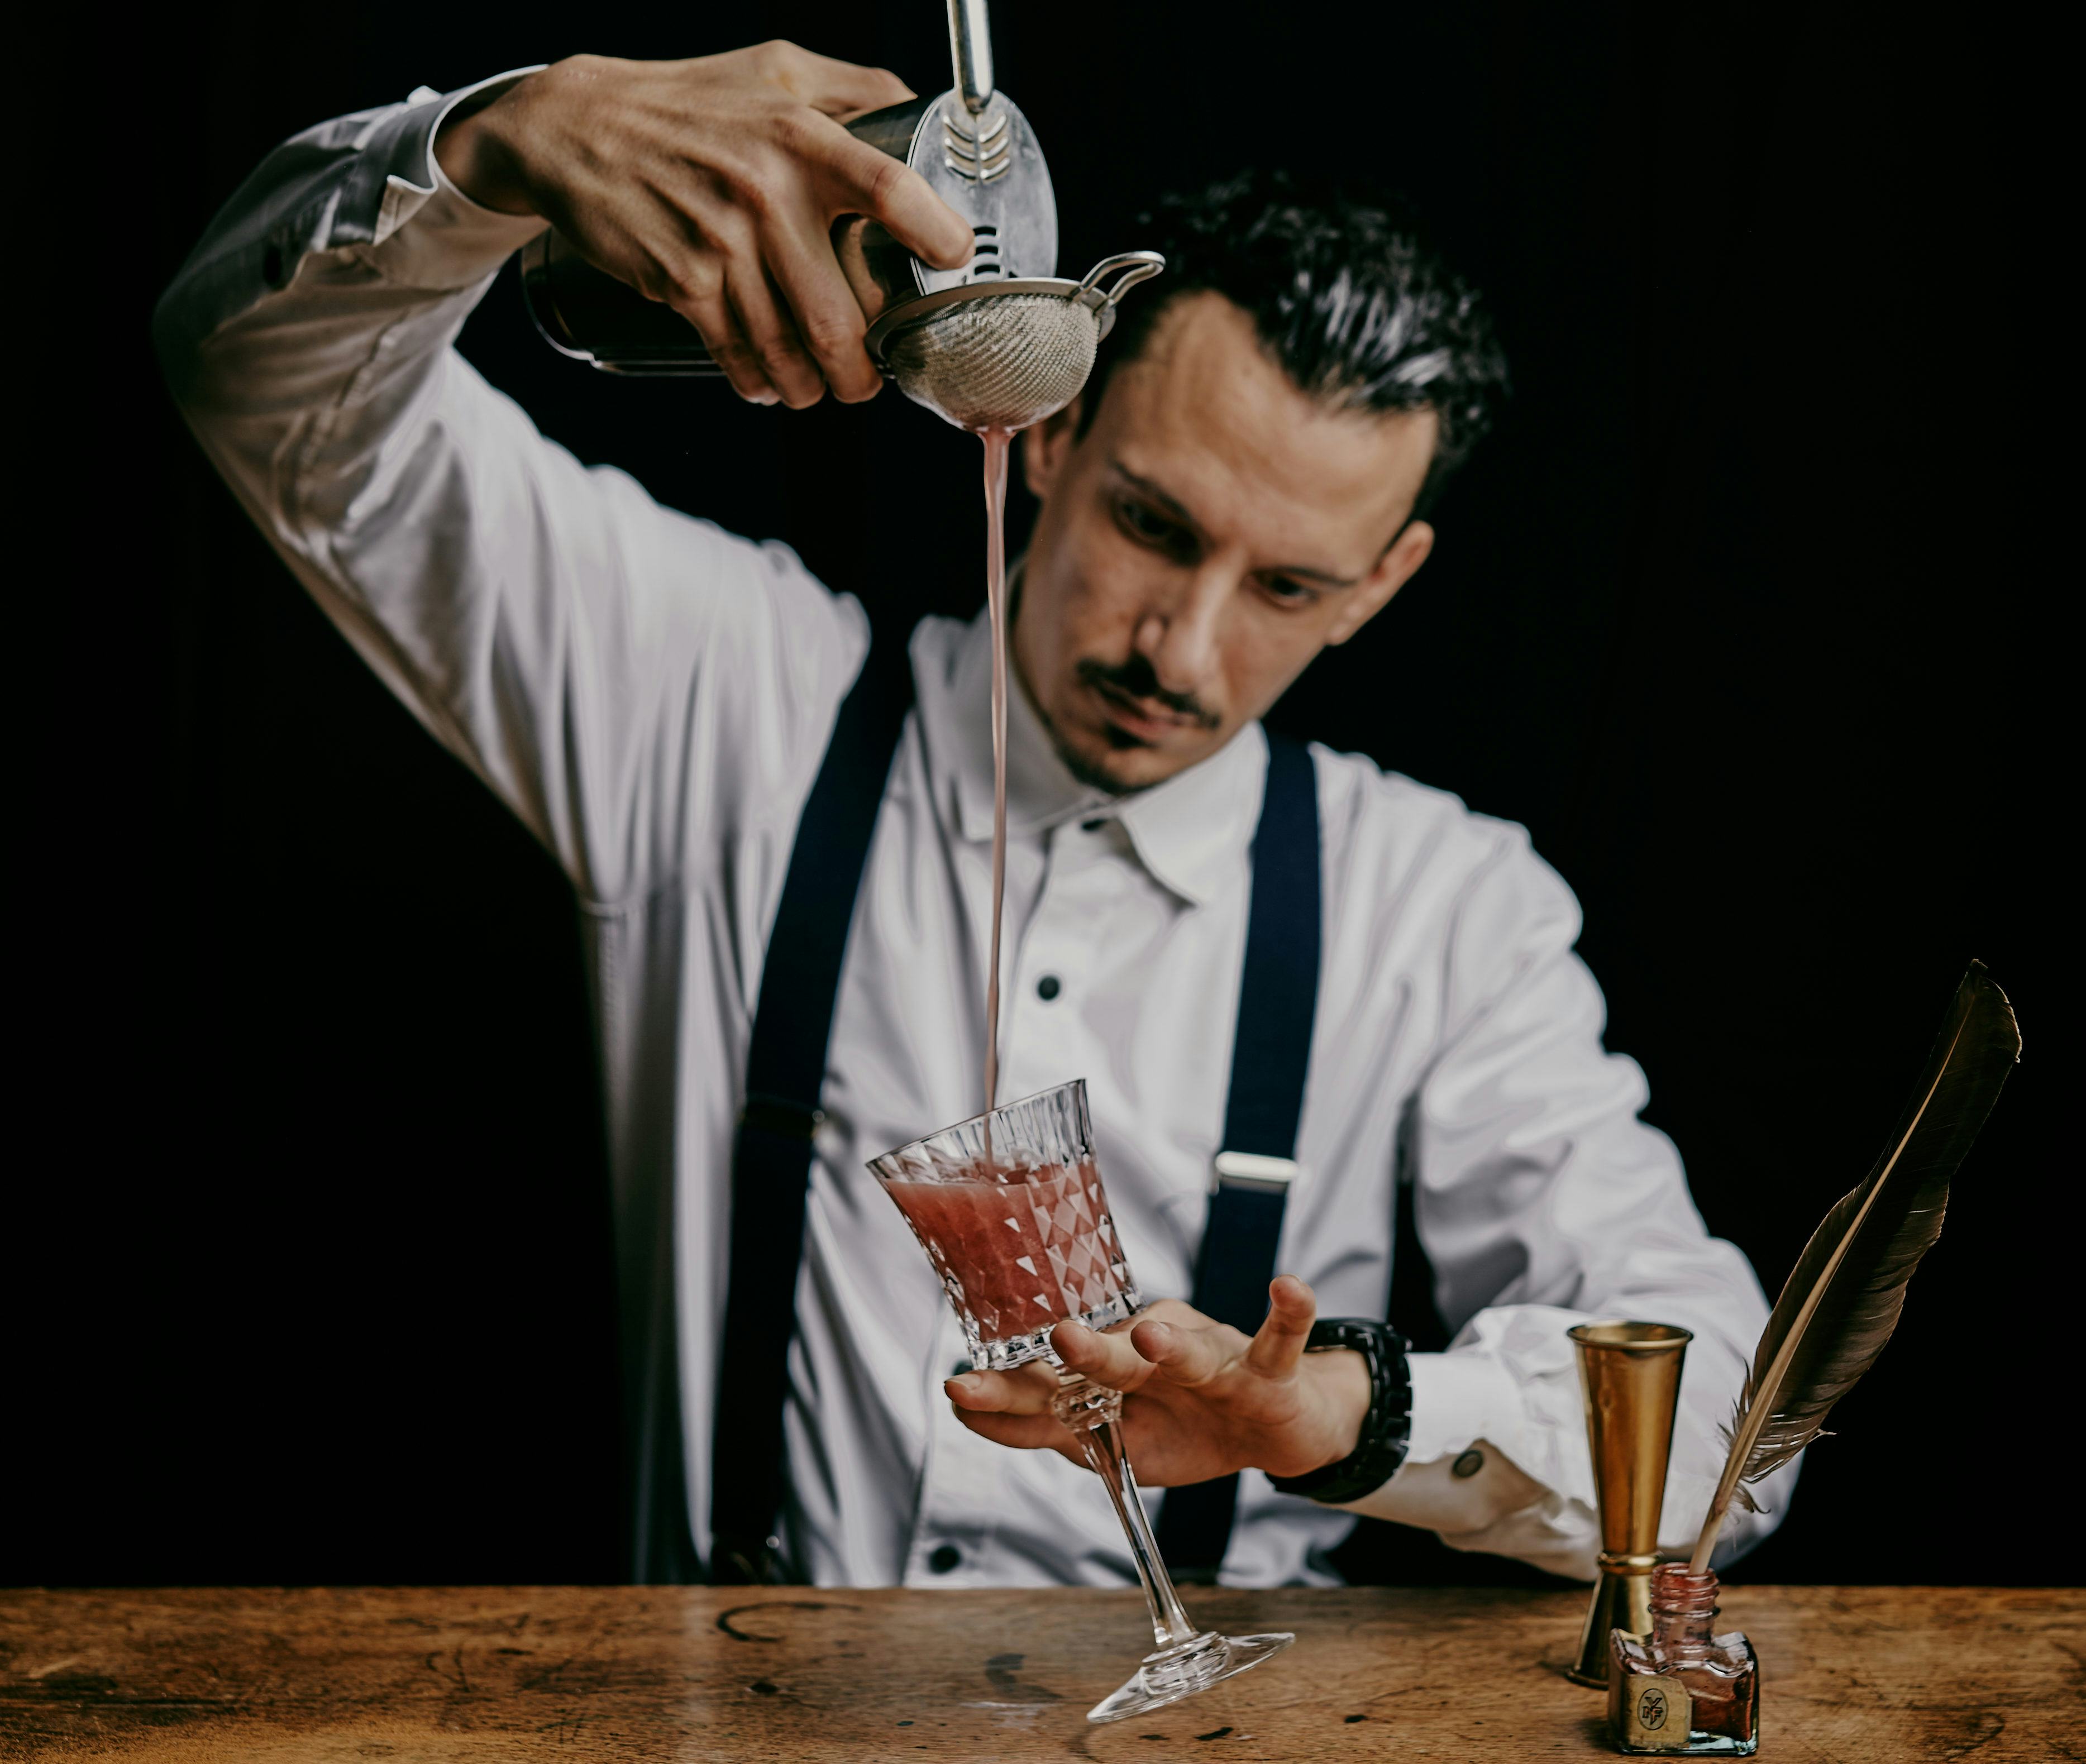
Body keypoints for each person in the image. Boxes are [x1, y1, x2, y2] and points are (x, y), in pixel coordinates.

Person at [155, 41, 1794, 1590]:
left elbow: (1729, 1423)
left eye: (1287, 586)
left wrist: (1353, 1415)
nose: (1184, 647)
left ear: (1383, 586)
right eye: (1154, 526)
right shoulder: (725, 704)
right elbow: (258, 377)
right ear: (1053, 422)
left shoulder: (1444, 914)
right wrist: (491, 142)